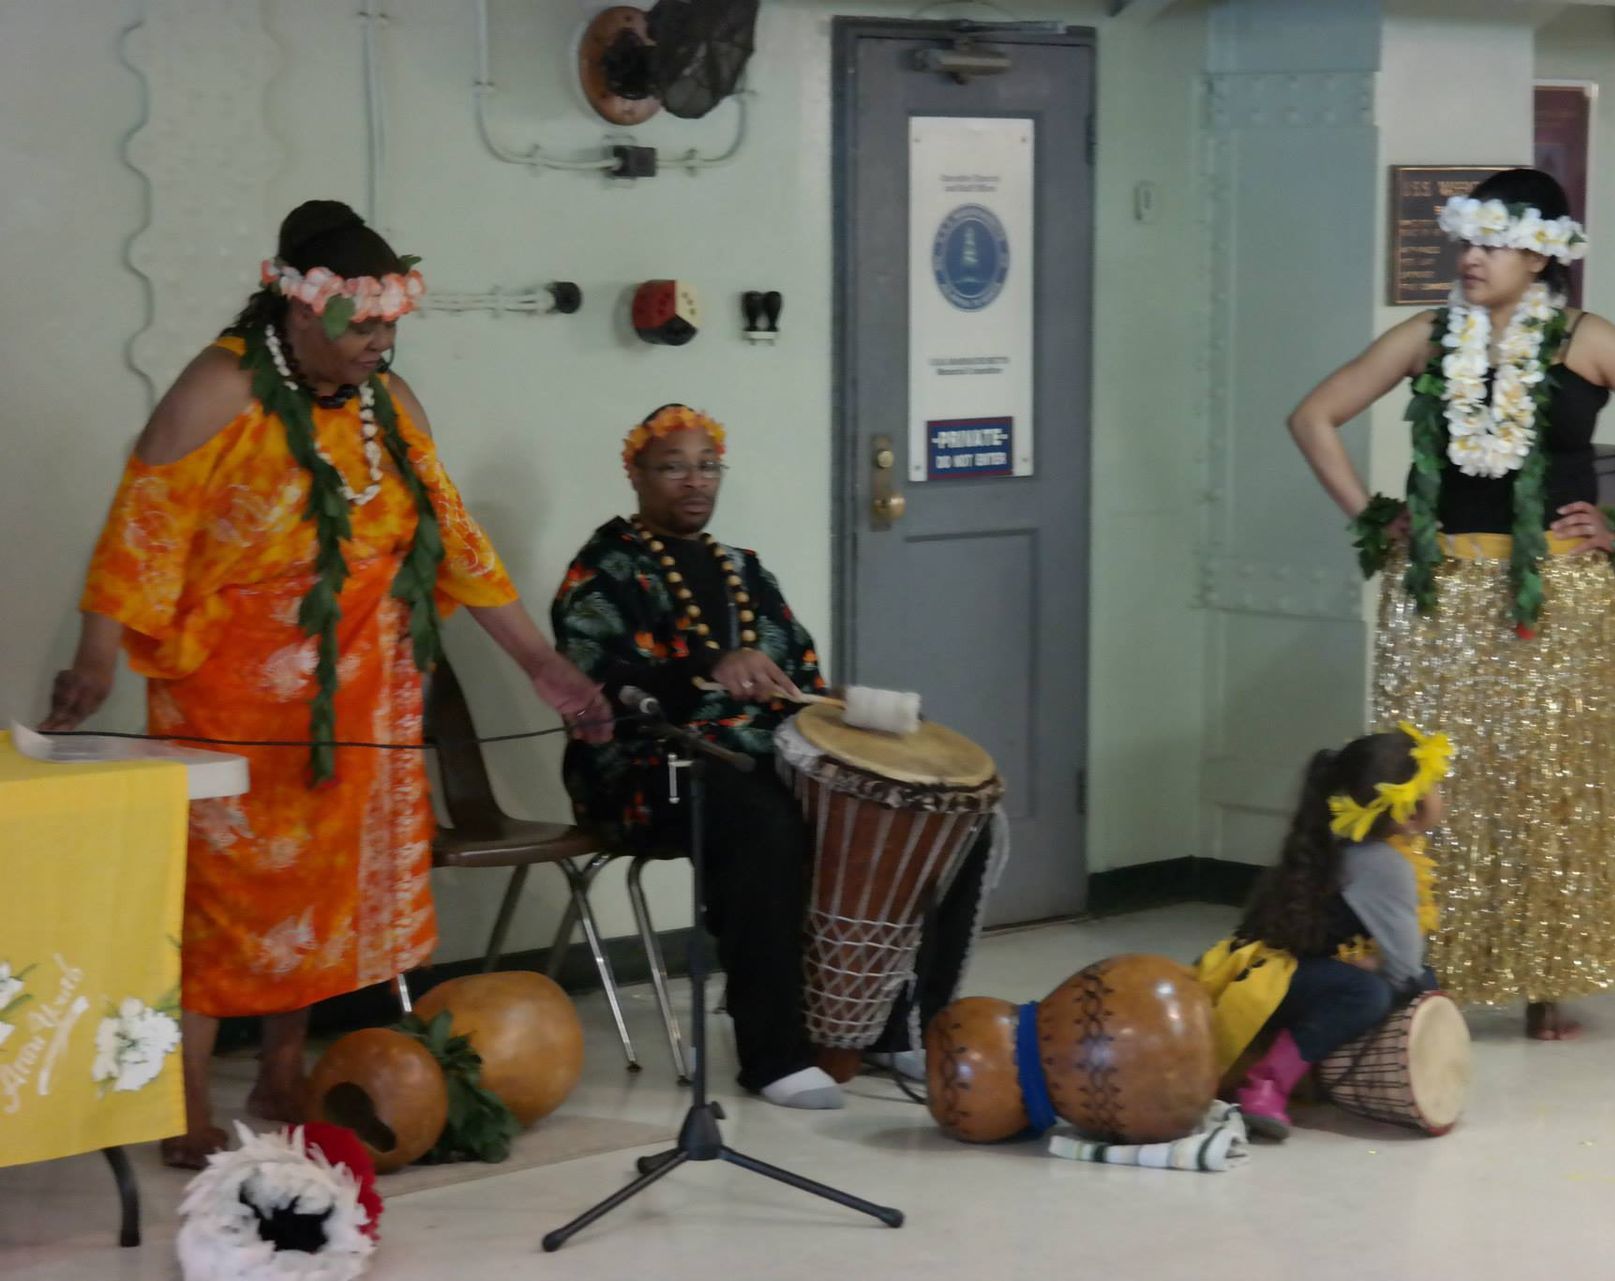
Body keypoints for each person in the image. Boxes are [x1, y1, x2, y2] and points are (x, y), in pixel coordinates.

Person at [41, 201, 611, 1168]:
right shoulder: (217, 390)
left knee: (318, 895)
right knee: (221, 899)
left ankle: (280, 1073)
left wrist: (540, 662)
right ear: (301, 308)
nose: (382, 345)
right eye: (364, 326)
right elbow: (141, 535)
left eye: (392, 326)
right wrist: (95, 661)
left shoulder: (391, 405)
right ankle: (183, 1103)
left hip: (361, 693)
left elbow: (457, 541)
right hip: (230, 698)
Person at [1287, 169, 1615, 1039]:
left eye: (1493, 244)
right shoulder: (1428, 335)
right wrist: (1374, 515)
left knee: (1547, 779)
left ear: (1540, 256)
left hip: (1556, 594)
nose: (1472, 258)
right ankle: (1423, 966)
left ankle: (1544, 975)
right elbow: (1313, 416)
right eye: (1469, 241)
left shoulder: (1587, 340)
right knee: (1427, 779)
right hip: (1442, 591)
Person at [552, 405, 993, 1110]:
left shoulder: (744, 570)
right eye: (673, 467)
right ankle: (773, 1052)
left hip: (762, 757)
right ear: (635, 474)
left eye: (707, 466)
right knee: (763, 819)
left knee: (944, 814)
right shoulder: (603, 569)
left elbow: (797, 680)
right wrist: (707, 664)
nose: (695, 482)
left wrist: (833, 703)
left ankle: (894, 1023)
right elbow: (591, 677)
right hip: (646, 768)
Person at [1195, 724, 1450, 1139]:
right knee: (1376, 991)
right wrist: (1374, 967)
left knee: (1402, 983)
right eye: (1435, 785)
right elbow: (1404, 966)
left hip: (1278, 969)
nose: (1442, 793)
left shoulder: (1342, 842)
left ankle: (1311, 1068)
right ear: (1406, 814)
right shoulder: (1384, 865)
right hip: (1271, 984)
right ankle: (1266, 1083)